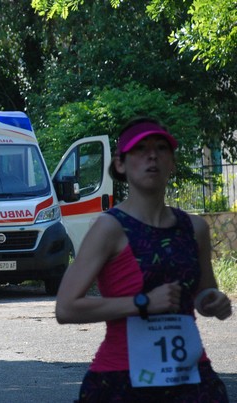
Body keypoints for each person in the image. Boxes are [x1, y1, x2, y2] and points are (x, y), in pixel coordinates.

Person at [55, 117, 232, 402]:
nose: (152, 155)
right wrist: (143, 303)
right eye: (140, 149)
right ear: (121, 164)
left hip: (192, 378)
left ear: (172, 162)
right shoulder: (109, 228)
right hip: (122, 380)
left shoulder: (195, 228)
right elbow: (66, 308)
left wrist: (214, 301)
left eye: (162, 148)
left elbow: (202, 294)